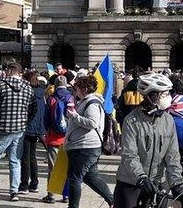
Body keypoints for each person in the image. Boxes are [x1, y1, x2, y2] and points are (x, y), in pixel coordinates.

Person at [114, 73, 183, 208]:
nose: (167, 98)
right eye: (162, 95)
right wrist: (141, 178)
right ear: (150, 96)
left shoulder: (168, 120)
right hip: (131, 182)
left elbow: (172, 156)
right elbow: (129, 155)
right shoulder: (131, 121)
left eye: (168, 94)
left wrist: (177, 184)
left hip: (157, 183)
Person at [0, 62, 35, 203]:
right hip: (19, 129)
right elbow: (33, 107)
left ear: (9, 71)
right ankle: (14, 191)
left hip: (0, 128)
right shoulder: (27, 87)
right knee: (15, 160)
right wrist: (25, 121)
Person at [62, 74, 114, 208]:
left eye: (77, 87)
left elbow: (92, 123)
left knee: (74, 178)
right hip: (84, 146)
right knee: (90, 177)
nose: (75, 90)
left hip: (85, 147)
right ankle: (113, 200)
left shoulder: (92, 103)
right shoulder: (85, 101)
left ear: (84, 89)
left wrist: (74, 116)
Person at [42, 75, 73, 204]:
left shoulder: (51, 98)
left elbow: (46, 120)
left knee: (52, 167)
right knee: (67, 167)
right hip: (68, 138)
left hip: (53, 137)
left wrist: (47, 130)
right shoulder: (71, 97)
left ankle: (51, 195)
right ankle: (66, 195)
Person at [20, 71, 47, 194]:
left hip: (27, 126)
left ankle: (24, 184)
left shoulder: (27, 92)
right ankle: (34, 183)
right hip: (38, 127)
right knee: (32, 156)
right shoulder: (42, 93)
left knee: (25, 157)